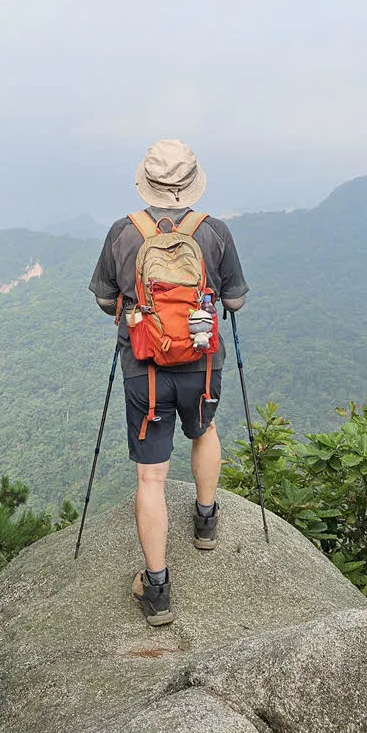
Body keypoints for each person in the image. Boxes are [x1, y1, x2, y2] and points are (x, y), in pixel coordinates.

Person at [88, 138, 249, 626]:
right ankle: (205, 520)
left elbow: (103, 299)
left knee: (151, 476)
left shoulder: (124, 232)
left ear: (147, 182)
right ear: (191, 184)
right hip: (202, 366)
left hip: (145, 370)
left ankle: (156, 588)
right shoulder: (214, 232)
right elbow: (236, 302)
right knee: (204, 431)